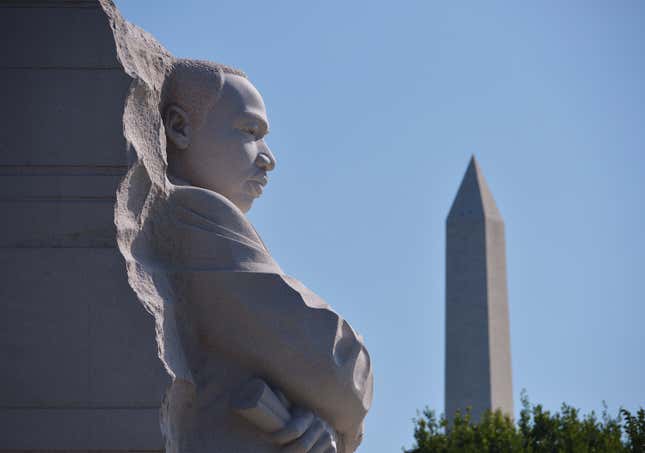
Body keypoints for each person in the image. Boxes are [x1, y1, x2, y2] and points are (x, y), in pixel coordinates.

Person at [149, 59, 373, 453]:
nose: (268, 158)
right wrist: (339, 412)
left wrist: (321, 424)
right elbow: (333, 369)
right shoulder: (195, 212)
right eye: (249, 132)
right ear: (179, 127)